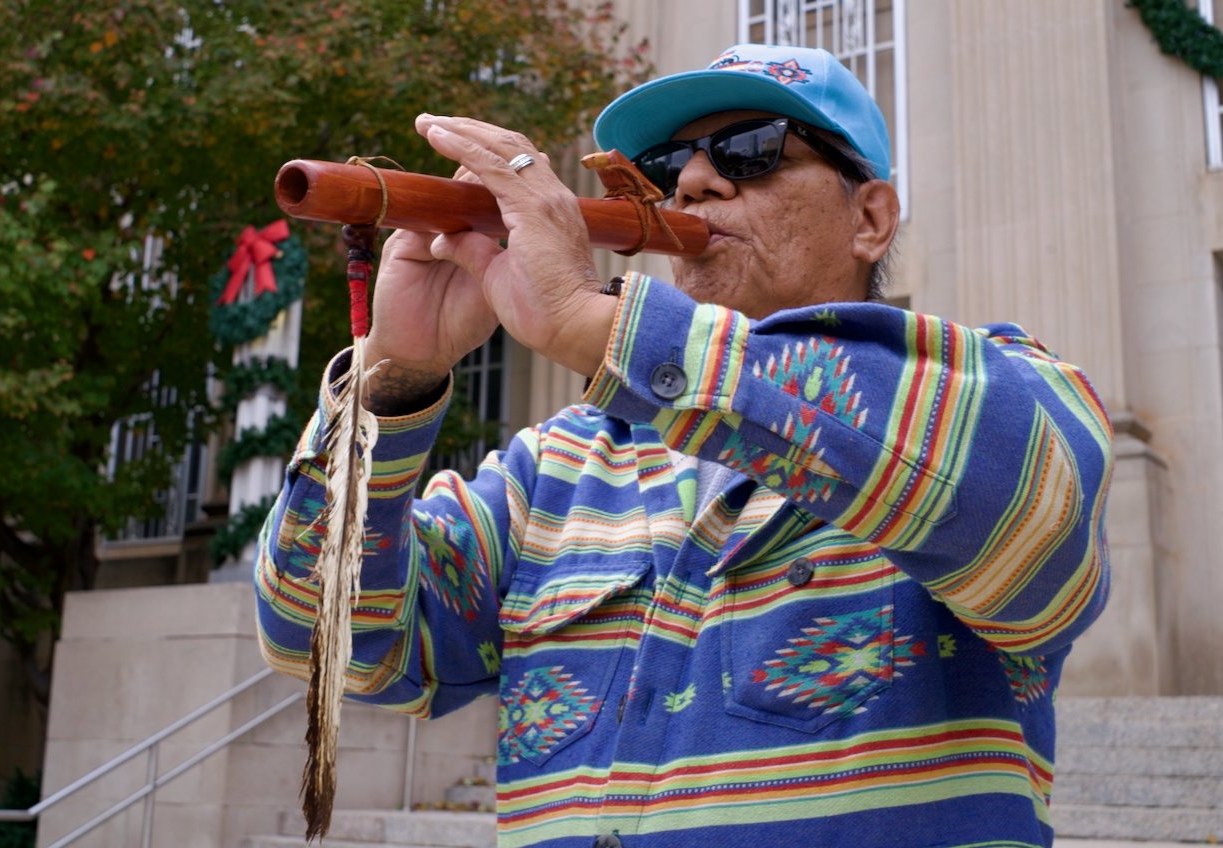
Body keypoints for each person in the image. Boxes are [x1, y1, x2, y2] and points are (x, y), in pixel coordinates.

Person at [256, 43, 1112, 848]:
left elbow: (1027, 498)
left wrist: (596, 324)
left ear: (872, 218)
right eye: (667, 169)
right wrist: (394, 379)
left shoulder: (989, 396)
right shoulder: (554, 465)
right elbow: (321, 636)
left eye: (751, 151)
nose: (693, 182)